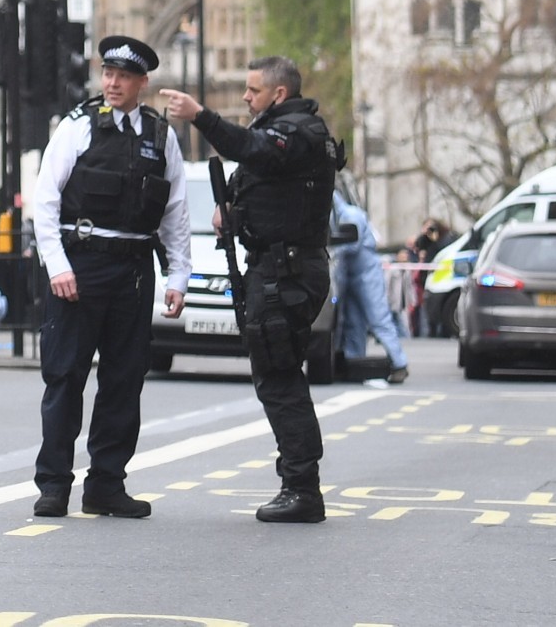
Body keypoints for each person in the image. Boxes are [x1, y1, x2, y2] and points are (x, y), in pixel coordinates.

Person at [161, 55, 343, 525]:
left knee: (280, 377)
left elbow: (255, 150)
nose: (245, 97)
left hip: (287, 274)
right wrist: (232, 214)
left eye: (252, 90)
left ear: (278, 94)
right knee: (276, 375)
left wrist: (201, 116)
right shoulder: (286, 133)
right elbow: (264, 185)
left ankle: (302, 488)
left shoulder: (297, 132)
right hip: (276, 269)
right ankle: (298, 481)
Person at [30, 36, 191, 520]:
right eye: (108, 74)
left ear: (143, 83)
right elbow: (45, 200)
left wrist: (178, 274)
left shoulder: (161, 137)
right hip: (81, 264)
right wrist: (57, 264)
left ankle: (106, 484)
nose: (113, 83)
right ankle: (54, 483)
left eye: (123, 77)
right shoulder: (77, 127)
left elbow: (175, 212)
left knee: (124, 380)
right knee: (65, 377)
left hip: (133, 269)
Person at [332, 192, 409, 382]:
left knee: (378, 318)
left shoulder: (351, 216)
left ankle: (399, 363)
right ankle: (353, 363)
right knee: (353, 322)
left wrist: (330, 247)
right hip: (350, 275)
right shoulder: (340, 217)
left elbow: (351, 244)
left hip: (366, 275)